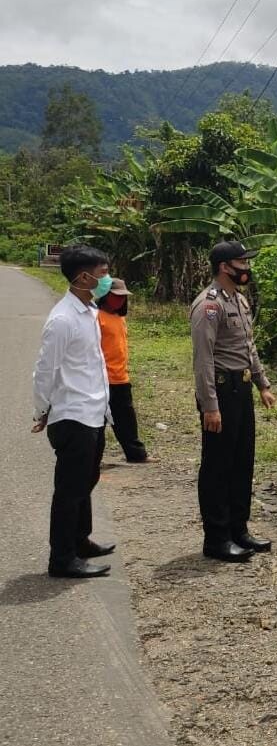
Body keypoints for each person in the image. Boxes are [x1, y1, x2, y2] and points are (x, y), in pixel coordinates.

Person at [190, 241, 277, 562]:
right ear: (225, 266)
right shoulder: (208, 305)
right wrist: (210, 405)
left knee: (242, 462)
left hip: (241, 390)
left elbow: (248, 348)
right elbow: (203, 359)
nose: (247, 268)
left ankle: (239, 529)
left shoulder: (238, 301)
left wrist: (262, 384)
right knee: (218, 466)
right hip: (221, 392)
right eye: (242, 262)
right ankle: (216, 537)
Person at [32, 245, 116, 578]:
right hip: (72, 414)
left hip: (93, 410)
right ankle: (62, 559)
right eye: (102, 273)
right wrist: (41, 410)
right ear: (83, 277)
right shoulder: (63, 320)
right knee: (69, 490)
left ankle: (80, 540)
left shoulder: (89, 310)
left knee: (86, 481)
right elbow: (44, 370)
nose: (107, 278)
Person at [96, 277, 151, 464]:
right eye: (115, 296)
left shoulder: (119, 318)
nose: (119, 300)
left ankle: (136, 455)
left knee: (126, 419)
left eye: (122, 297)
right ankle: (93, 459)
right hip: (101, 379)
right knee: (97, 422)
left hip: (121, 378)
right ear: (105, 296)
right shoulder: (96, 317)